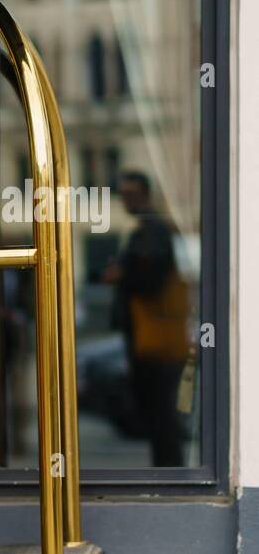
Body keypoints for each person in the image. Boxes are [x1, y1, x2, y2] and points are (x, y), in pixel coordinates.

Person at [103, 171, 190, 466]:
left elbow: (152, 278)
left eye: (132, 194)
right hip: (147, 333)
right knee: (157, 412)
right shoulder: (148, 229)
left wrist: (124, 274)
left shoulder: (151, 230)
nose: (127, 201)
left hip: (153, 333)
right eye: (124, 194)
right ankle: (167, 468)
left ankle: (169, 470)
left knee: (159, 410)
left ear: (144, 194)